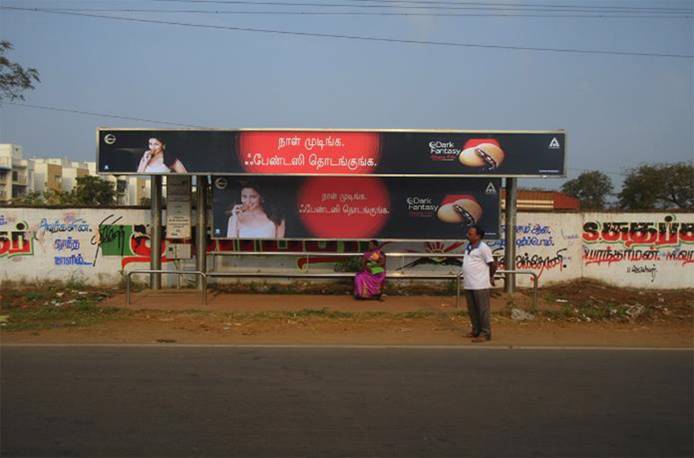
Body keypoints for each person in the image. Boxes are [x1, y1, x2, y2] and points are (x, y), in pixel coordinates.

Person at [462, 225, 497, 342]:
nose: (467, 235)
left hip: (480, 284)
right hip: (469, 284)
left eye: (470, 234)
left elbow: (492, 264)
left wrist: (490, 276)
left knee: (482, 310)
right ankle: (476, 330)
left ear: (478, 236)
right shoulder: (468, 246)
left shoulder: (483, 248)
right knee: (472, 310)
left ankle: (485, 333)